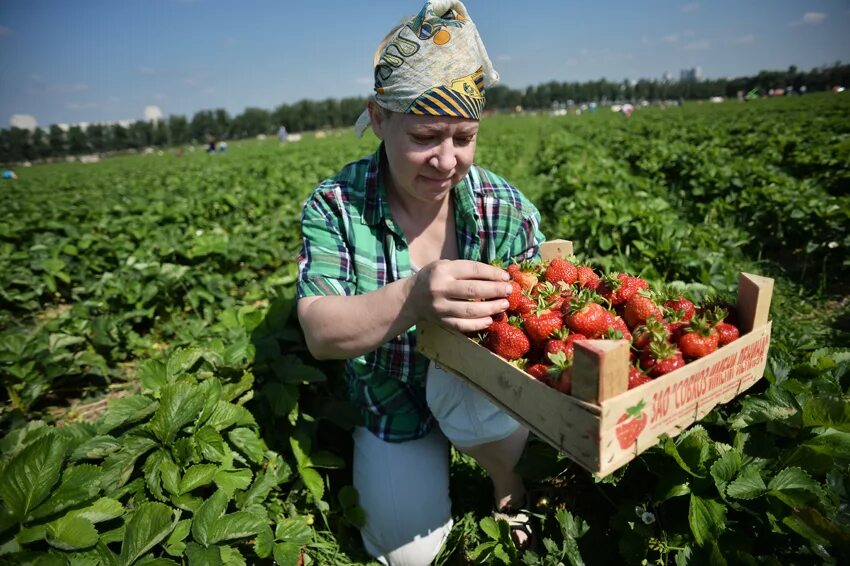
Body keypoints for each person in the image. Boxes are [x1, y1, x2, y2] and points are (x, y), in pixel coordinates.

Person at [296, 1, 545, 564]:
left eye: (464, 137)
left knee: (491, 421)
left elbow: (536, 328)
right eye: (426, 136)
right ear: (380, 119)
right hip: (390, 397)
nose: (446, 160)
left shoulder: (501, 207)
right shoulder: (337, 207)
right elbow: (318, 331)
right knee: (410, 556)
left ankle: (505, 475)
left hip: (481, 387)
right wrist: (414, 296)